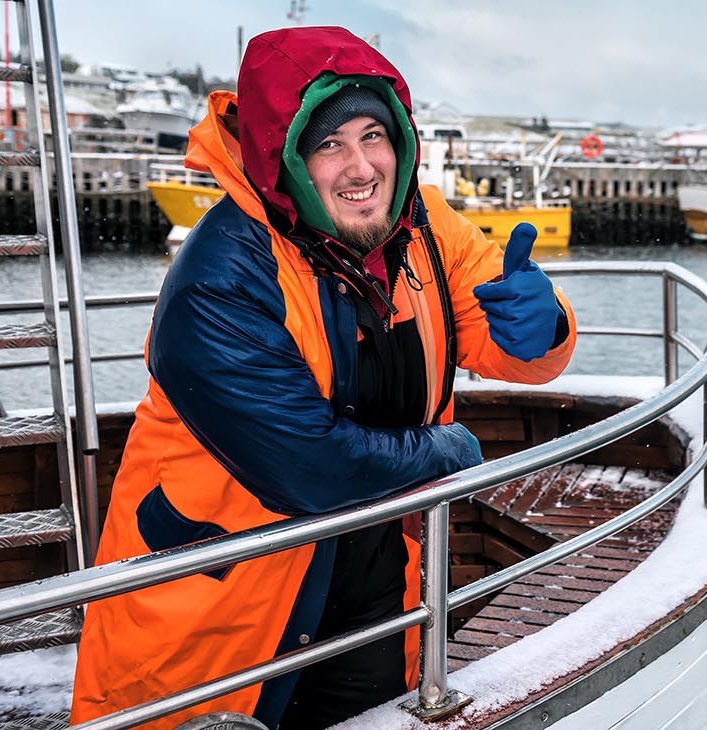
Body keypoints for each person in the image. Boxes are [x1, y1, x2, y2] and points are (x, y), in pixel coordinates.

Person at [70, 26, 576, 729]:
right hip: (220, 603)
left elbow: (511, 346)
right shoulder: (221, 278)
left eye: (375, 136)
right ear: (285, 161)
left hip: (373, 584)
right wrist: (450, 451)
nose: (362, 167)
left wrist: (542, 322)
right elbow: (313, 468)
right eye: (329, 145)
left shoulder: (423, 224)